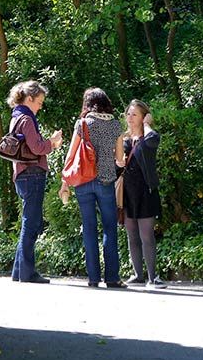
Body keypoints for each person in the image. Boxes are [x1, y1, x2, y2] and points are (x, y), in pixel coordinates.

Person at [58, 88, 127, 288]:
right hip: (105, 182)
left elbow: (71, 155)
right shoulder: (115, 124)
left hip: (83, 182)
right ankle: (112, 277)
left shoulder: (82, 124)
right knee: (109, 228)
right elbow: (120, 159)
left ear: (87, 104)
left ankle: (93, 278)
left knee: (89, 228)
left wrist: (65, 182)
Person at [7, 80, 63, 284]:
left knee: (28, 222)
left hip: (22, 174)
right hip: (32, 174)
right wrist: (53, 142)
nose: (40, 106)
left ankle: (18, 271)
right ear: (29, 98)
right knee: (32, 223)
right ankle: (27, 273)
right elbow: (38, 148)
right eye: (39, 102)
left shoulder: (15, 117)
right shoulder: (27, 119)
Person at [121, 100, 166, 288]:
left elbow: (153, 139)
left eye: (135, 115)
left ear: (143, 117)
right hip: (128, 193)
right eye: (128, 114)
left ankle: (152, 277)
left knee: (147, 235)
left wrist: (147, 124)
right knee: (132, 235)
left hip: (146, 192)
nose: (130, 118)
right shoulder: (124, 140)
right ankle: (138, 274)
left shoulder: (148, 138)